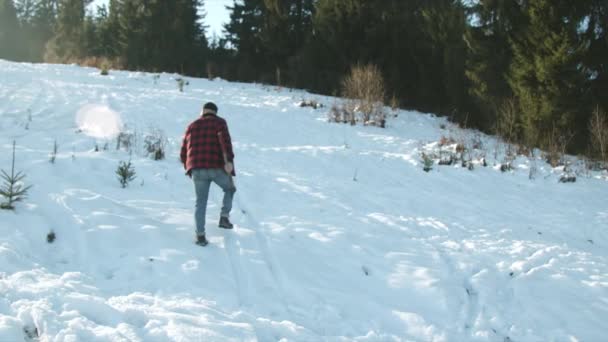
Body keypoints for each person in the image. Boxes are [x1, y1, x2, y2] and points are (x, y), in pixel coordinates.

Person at [180, 102, 236, 246]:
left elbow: (183, 152)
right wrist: (229, 162)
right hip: (216, 167)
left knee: (200, 203)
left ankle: (200, 236)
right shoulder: (220, 123)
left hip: (197, 169)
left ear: (203, 111)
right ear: (215, 112)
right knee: (230, 188)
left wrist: (188, 167)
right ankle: (224, 217)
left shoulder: (191, 126)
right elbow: (226, 144)